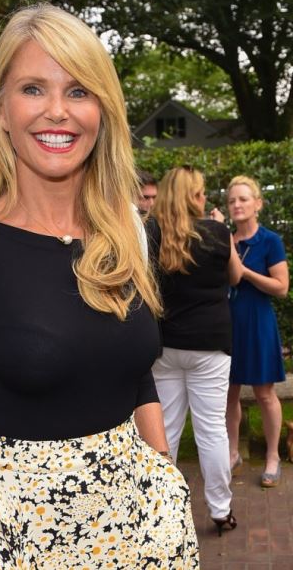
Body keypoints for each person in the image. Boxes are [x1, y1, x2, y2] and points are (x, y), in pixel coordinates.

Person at [0, 4, 198, 568]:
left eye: (78, 91)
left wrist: (165, 476)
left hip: (144, 527)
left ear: (102, 109)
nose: (57, 111)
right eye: (33, 88)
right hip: (21, 538)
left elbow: (135, 373)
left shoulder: (127, 234)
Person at [151, 165, 243, 536]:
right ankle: (220, 510)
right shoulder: (217, 232)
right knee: (212, 430)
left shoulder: (152, 232)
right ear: (193, 196)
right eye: (201, 192)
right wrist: (223, 231)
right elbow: (236, 276)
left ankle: (162, 509)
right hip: (210, 345)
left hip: (166, 344)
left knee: (165, 428)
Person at [225, 175, 289, 488]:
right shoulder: (225, 239)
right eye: (231, 200)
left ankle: (273, 456)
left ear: (258, 204)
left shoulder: (270, 241)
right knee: (228, 393)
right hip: (227, 324)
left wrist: (246, 272)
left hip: (258, 323)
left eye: (243, 199)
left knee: (264, 394)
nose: (237, 205)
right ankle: (232, 453)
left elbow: (281, 288)